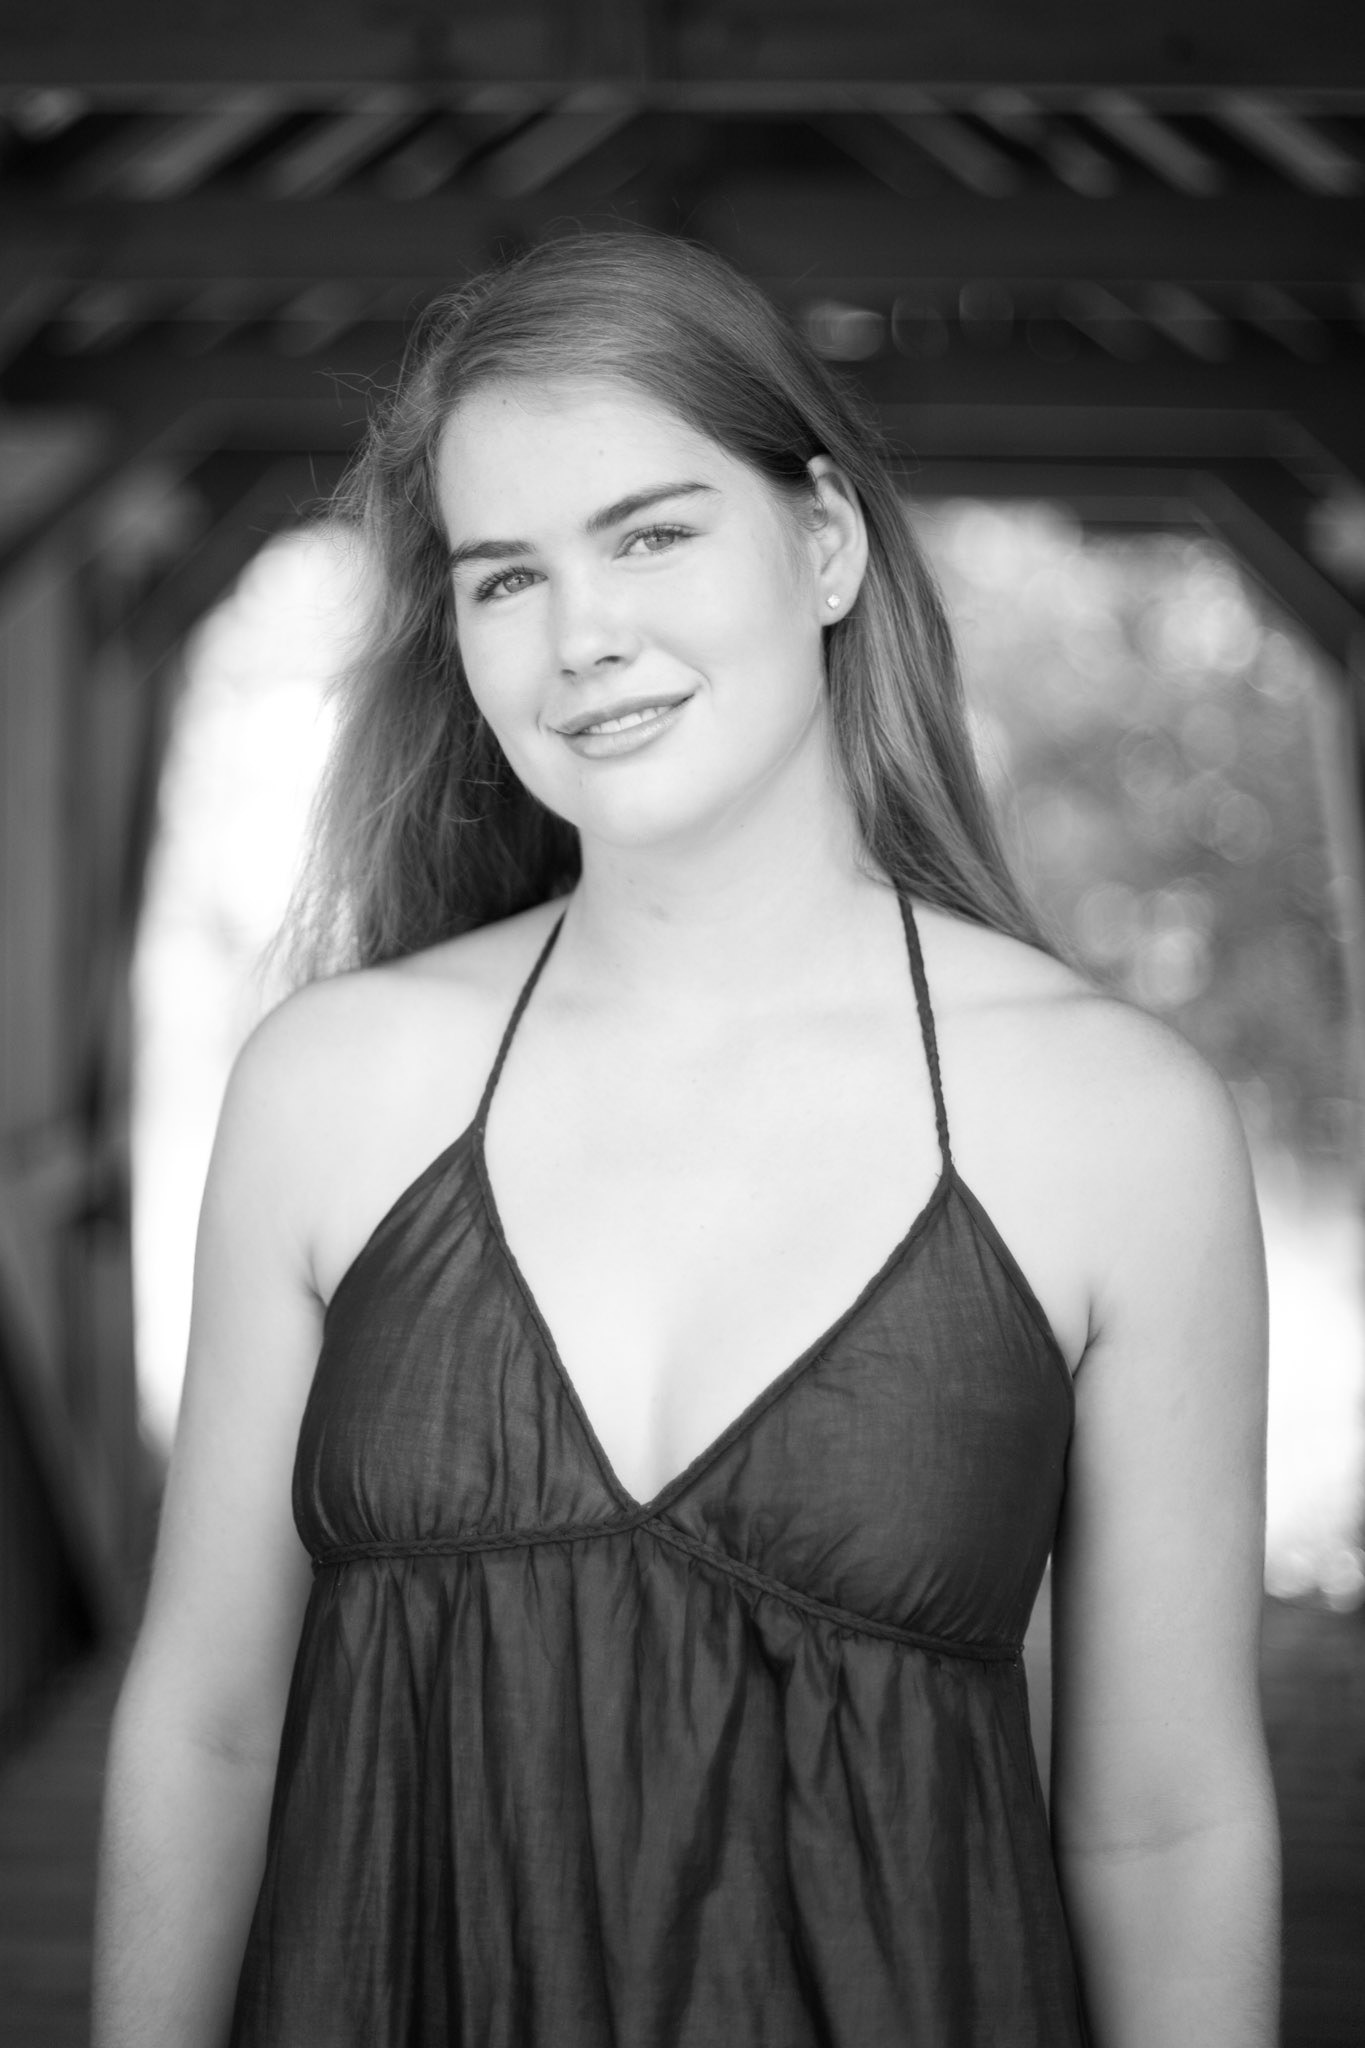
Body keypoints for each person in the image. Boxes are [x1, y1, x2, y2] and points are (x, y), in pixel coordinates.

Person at [92, 228, 1280, 2048]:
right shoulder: (334, 1088)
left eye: (649, 535)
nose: (582, 636)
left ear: (825, 544)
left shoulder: (1114, 1125)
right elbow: (207, 1725)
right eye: (505, 576)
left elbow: (1165, 1823)